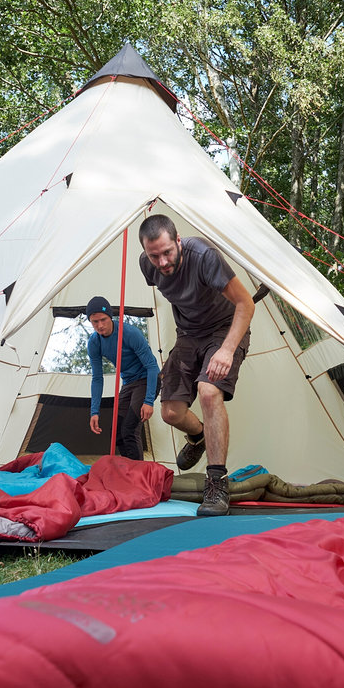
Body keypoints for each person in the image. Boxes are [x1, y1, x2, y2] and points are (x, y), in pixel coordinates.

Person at [138, 214, 254, 516]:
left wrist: (227, 351)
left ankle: (216, 484)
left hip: (224, 327)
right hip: (188, 334)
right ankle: (199, 435)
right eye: (154, 256)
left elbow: (246, 303)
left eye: (167, 252)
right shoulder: (147, 266)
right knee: (171, 413)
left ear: (178, 241)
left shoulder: (203, 256)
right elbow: (175, 293)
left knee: (208, 392)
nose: (162, 262)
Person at [86, 296, 161, 461]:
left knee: (129, 430)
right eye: (94, 322)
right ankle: (127, 474)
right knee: (118, 432)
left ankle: (138, 475)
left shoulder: (130, 333)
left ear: (111, 317)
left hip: (146, 379)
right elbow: (97, 378)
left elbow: (152, 367)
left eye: (103, 320)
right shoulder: (94, 343)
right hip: (128, 383)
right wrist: (94, 411)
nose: (100, 325)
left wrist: (148, 401)